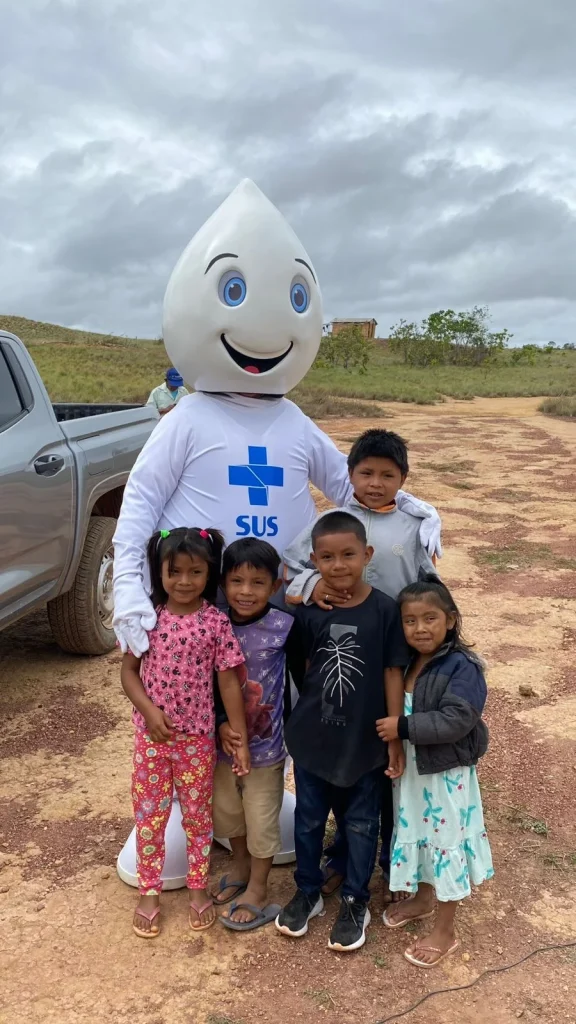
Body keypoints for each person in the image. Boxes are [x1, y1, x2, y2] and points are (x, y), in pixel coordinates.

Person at [113, 178, 442, 886]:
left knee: (275, 708)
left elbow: (353, 489)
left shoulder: (292, 420)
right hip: (202, 608)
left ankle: (265, 809)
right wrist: (131, 597)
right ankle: (186, 822)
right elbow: (139, 506)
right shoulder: (187, 419)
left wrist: (416, 509)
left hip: (284, 607)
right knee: (189, 712)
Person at [284, 429, 436, 903]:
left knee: (388, 761)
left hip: (395, 654)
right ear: (349, 475)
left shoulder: (414, 526)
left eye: (387, 475)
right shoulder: (333, 522)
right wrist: (312, 585)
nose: (375, 483)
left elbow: (429, 585)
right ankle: (340, 859)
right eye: (365, 473)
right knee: (349, 758)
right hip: (344, 652)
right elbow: (291, 567)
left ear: (403, 479)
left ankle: (392, 863)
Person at [275, 511, 410, 953]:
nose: (338, 565)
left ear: (366, 555)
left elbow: (393, 671)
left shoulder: (385, 610)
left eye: (348, 555)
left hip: (365, 742)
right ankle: (307, 891)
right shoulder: (310, 611)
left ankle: (355, 900)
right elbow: (302, 668)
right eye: (327, 557)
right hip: (314, 739)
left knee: (361, 824)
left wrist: (394, 733)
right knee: (309, 820)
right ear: (314, 561)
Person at [120, 526, 250, 939]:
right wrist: (149, 712)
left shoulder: (215, 622)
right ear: (159, 571)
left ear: (208, 574)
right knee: (150, 815)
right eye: (174, 571)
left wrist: (239, 735)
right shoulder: (147, 619)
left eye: (195, 572)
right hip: (152, 740)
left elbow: (228, 682)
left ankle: (197, 887)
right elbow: (128, 673)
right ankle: (149, 892)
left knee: (197, 816)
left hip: (197, 740)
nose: (183, 581)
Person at [376, 574, 493, 968]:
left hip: (445, 776)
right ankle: (424, 899)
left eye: (430, 618)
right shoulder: (408, 662)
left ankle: (445, 930)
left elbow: (458, 718)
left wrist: (403, 727)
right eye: (410, 620)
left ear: (451, 620)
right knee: (421, 834)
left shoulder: (463, 666)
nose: (420, 628)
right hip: (413, 774)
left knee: (445, 841)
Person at [210, 538, 300, 931]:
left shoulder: (285, 626)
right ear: (222, 583)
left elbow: (305, 677)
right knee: (228, 812)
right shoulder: (213, 623)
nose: (246, 592)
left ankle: (259, 889)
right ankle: (241, 867)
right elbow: (202, 683)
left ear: (275, 586)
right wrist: (219, 724)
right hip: (220, 745)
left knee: (261, 817)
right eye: (236, 581)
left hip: (266, 748)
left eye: (258, 583)